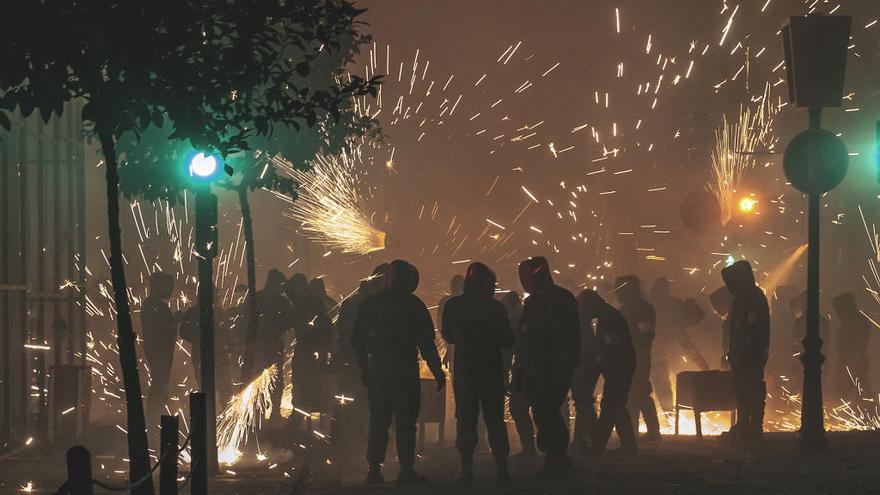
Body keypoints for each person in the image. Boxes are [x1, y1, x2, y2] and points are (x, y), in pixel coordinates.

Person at [352, 260, 445, 485]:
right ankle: (406, 471)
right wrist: (437, 372)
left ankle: (374, 470)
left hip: (379, 370)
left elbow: (356, 338)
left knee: (379, 421)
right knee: (405, 422)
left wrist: (365, 367)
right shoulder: (414, 305)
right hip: (403, 369)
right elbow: (426, 344)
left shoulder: (370, 304)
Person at [442, 262, 514, 484]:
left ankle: (466, 470)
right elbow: (507, 340)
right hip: (491, 368)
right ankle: (502, 469)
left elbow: (448, 336)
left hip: (465, 368)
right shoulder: (495, 307)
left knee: (465, 417)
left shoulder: (454, 305)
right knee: (494, 418)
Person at [511, 257, 580, 474]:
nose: (523, 281)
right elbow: (525, 336)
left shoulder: (561, 299)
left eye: (526, 276)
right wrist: (520, 365)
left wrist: (568, 364)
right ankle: (555, 454)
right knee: (542, 410)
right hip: (536, 367)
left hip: (554, 366)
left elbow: (572, 336)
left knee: (547, 408)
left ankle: (557, 454)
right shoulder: (534, 302)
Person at [336, 264, 391, 444]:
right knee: (369, 403)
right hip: (367, 360)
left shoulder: (351, 301)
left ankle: (350, 442)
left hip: (353, 360)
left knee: (354, 403)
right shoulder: (377, 303)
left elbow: (341, 333)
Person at [578, 290, 637, 454]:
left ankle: (604, 445)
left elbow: (612, 347)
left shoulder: (610, 319)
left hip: (620, 366)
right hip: (619, 365)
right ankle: (624, 444)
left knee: (612, 404)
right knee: (614, 404)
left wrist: (598, 363)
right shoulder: (608, 316)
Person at [722, 260, 770, 439]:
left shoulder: (755, 299)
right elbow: (734, 329)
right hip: (739, 354)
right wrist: (731, 352)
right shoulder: (740, 300)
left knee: (753, 388)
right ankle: (743, 424)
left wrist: (747, 352)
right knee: (741, 389)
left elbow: (755, 328)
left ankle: (754, 427)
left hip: (752, 354)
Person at [616, 275, 662, 442]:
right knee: (634, 393)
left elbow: (645, 335)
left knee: (639, 391)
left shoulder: (642, 309)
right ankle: (636, 431)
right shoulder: (628, 309)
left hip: (638, 356)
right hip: (631, 355)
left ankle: (651, 432)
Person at [285, 273, 332, 424]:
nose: (290, 296)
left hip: (308, 350)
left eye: (291, 292)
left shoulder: (305, 303)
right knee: (313, 386)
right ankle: (314, 418)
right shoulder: (315, 302)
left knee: (304, 385)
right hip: (316, 350)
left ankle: (298, 418)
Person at [254, 269, 294, 421]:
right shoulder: (281, 302)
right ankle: (275, 412)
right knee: (275, 378)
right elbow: (291, 321)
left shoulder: (257, 298)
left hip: (259, 345)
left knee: (259, 378)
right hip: (273, 344)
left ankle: (259, 414)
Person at [500, 291, 535, 457]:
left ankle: (529, 449)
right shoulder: (529, 315)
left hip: (524, 369)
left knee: (517, 407)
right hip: (540, 368)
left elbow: (507, 350)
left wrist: (504, 376)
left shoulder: (513, 320)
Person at [141, 272, 178, 425]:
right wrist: (175, 321)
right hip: (158, 351)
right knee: (159, 383)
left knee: (160, 383)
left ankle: (157, 416)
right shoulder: (154, 306)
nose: (171, 290)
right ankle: (154, 418)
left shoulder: (153, 305)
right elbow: (161, 328)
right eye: (169, 287)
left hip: (158, 350)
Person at [571, 289, 601, 452]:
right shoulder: (582, 321)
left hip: (583, 365)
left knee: (583, 402)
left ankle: (589, 439)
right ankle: (586, 439)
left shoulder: (579, 320)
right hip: (586, 365)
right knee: (584, 401)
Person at [832, 293, 871, 398]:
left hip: (855, 362)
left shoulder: (857, 323)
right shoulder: (847, 324)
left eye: (838, 308)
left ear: (846, 307)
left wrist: (852, 362)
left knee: (858, 393)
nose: (837, 312)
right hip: (848, 362)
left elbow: (859, 344)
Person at [439, 275, 465, 370]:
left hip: (458, 351)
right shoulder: (469, 305)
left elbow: (444, 331)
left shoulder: (447, 302)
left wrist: (449, 350)